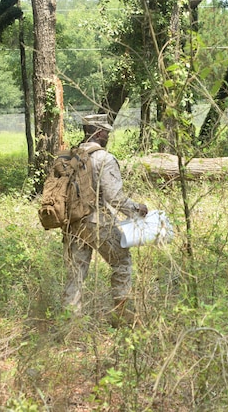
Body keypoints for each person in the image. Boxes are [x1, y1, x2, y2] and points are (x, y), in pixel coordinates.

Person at [62, 114, 148, 326]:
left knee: (76, 273)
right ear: (100, 133)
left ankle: (71, 323)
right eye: (106, 133)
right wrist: (137, 210)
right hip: (97, 221)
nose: (107, 136)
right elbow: (115, 198)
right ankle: (122, 316)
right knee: (122, 261)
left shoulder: (70, 157)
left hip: (73, 223)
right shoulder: (104, 159)